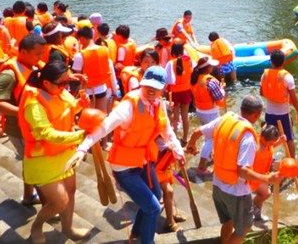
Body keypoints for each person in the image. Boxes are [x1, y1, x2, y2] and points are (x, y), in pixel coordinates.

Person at [67, 66, 185, 244]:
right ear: (142, 84)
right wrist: (82, 148)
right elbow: (105, 126)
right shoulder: (128, 106)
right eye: (148, 86)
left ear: (163, 88)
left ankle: (136, 234)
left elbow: (167, 130)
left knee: (155, 195)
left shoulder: (158, 104)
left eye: (156, 87)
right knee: (153, 207)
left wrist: (178, 150)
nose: (151, 91)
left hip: (143, 160)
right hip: (124, 166)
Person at [185, 95, 281, 244]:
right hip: (236, 192)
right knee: (244, 229)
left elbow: (197, 132)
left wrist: (191, 145)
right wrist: (268, 179)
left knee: (228, 222)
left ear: (242, 109)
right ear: (257, 114)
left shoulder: (224, 119)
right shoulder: (248, 137)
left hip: (217, 185)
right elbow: (243, 171)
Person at [19, 61, 89, 244]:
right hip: (42, 159)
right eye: (62, 83)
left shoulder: (59, 91)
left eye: (68, 81)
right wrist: (80, 136)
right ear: (47, 83)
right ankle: (37, 226)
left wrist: (80, 103)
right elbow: (46, 133)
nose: (66, 86)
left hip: (65, 152)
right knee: (59, 201)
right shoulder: (33, 104)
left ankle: (68, 228)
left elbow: (67, 110)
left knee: (71, 191)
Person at [0, 33, 47, 206]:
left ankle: (28, 196)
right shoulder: (9, 73)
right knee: (36, 166)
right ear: (23, 52)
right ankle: (49, 206)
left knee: (29, 163)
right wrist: (24, 113)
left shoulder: (32, 65)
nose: (40, 58)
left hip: (33, 125)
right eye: (37, 54)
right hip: (19, 128)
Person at [260, 49, 298, 158]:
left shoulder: (264, 75)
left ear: (271, 61)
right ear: (284, 61)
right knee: (289, 138)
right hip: (283, 114)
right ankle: (292, 161)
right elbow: (294, 98)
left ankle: (267, 159)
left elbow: (261, 92)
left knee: (267, 137)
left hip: (269, 113)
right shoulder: (287, 77)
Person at [71, 26, 120, 115]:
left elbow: (77, 77)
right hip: (102, 88)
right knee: (101, 116)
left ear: (81, 39)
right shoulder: (105, 49)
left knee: (89, 118)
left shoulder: (80, 55)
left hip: (87, 91)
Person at [191, 56, 227, 175]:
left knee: (208, 135)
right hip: (210, 112)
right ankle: (201, 167)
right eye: (211, 65)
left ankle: (210, 156)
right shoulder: (210, 81)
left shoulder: (195, 79)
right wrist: (222, 89)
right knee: (210, 138)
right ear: (207, 68)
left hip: (200, 110)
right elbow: (219, 98)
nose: (212, 67)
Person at [250, 124, 285, 223]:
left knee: (262, 195)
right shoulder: (256, 148)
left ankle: (257, 215)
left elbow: (271, 145)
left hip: (264, 174)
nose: (271, 145)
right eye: (270, 143)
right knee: (266, 194)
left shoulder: (266, 143)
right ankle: (249, 208)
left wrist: (280, 141)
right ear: (263, 138)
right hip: (254, 176)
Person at [165, 42, 193, 144]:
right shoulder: (189, 60)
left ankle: (175, 138)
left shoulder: (170, 63)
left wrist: (163, 92)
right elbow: (192, 72)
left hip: (174, 93)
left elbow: (169, 80)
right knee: (185, 116)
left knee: (175, 117)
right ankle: (185, 139)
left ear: (172, 52)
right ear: (182, 51)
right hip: (186, 91)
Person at [154, 149, 187, 232]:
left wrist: (181, 151)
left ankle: (172, 214)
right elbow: (162, 145)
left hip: (165, 162)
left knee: (169, 191)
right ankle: (170, 222)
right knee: (169, 191)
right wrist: (177, 152)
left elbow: (171, 140)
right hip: (155, 163)